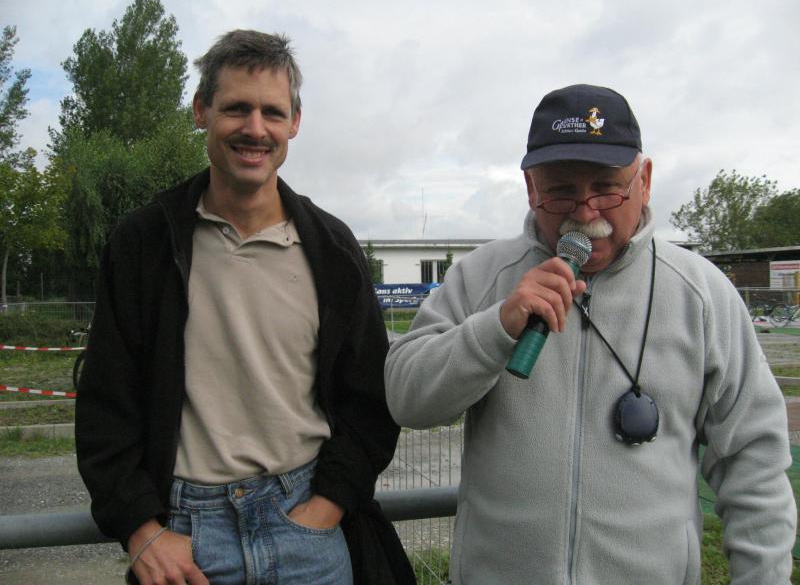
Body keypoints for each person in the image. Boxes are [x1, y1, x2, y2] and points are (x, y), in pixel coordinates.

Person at [384, 84, 796, 584]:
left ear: (645, 181)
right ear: (531, 188)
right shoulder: (481, 276)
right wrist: (496, 329)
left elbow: (753, 460)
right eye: (561, 191)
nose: (585, 212)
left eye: (606, 187)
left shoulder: (702, 293)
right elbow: (406, 399)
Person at [76, 30, 414, 585]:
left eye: (272, 112)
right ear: (201, 111)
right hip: (187, 542)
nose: (255, 129)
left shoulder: (332, 250)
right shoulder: (145, 243)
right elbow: (105, 402)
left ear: (294, 123)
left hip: (307, 527)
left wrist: (327, 505)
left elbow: (370, 401)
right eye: (236, 108)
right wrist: (141, 530)